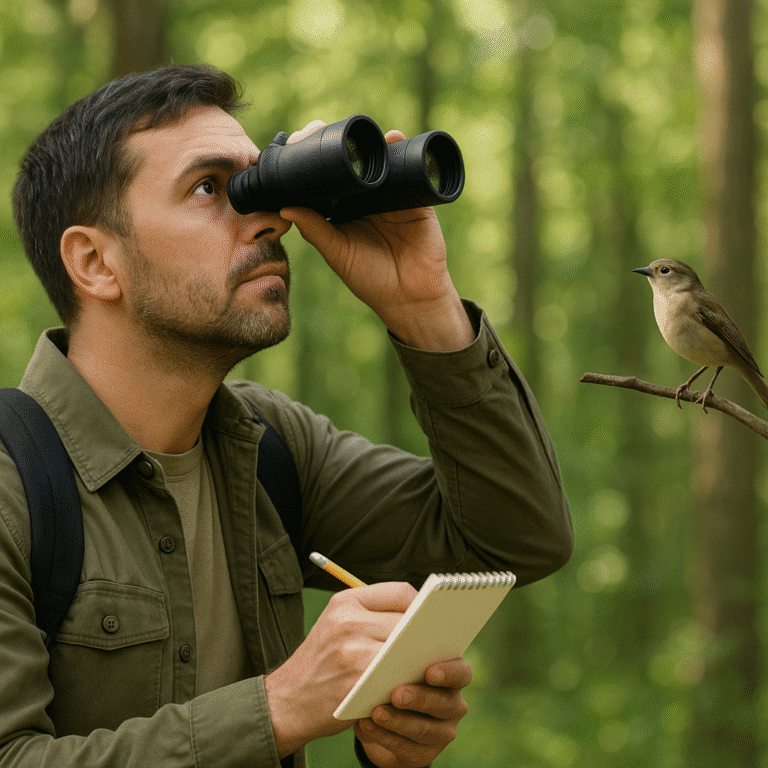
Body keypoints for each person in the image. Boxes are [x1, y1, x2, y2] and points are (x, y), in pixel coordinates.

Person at [1, 64, 572, 768]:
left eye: (261, 182)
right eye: (211, 188)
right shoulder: (13, 482)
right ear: (94, 261)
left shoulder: (268, 446)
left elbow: (513, 543)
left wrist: (423, 306)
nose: (270, 218)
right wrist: (278, 708)